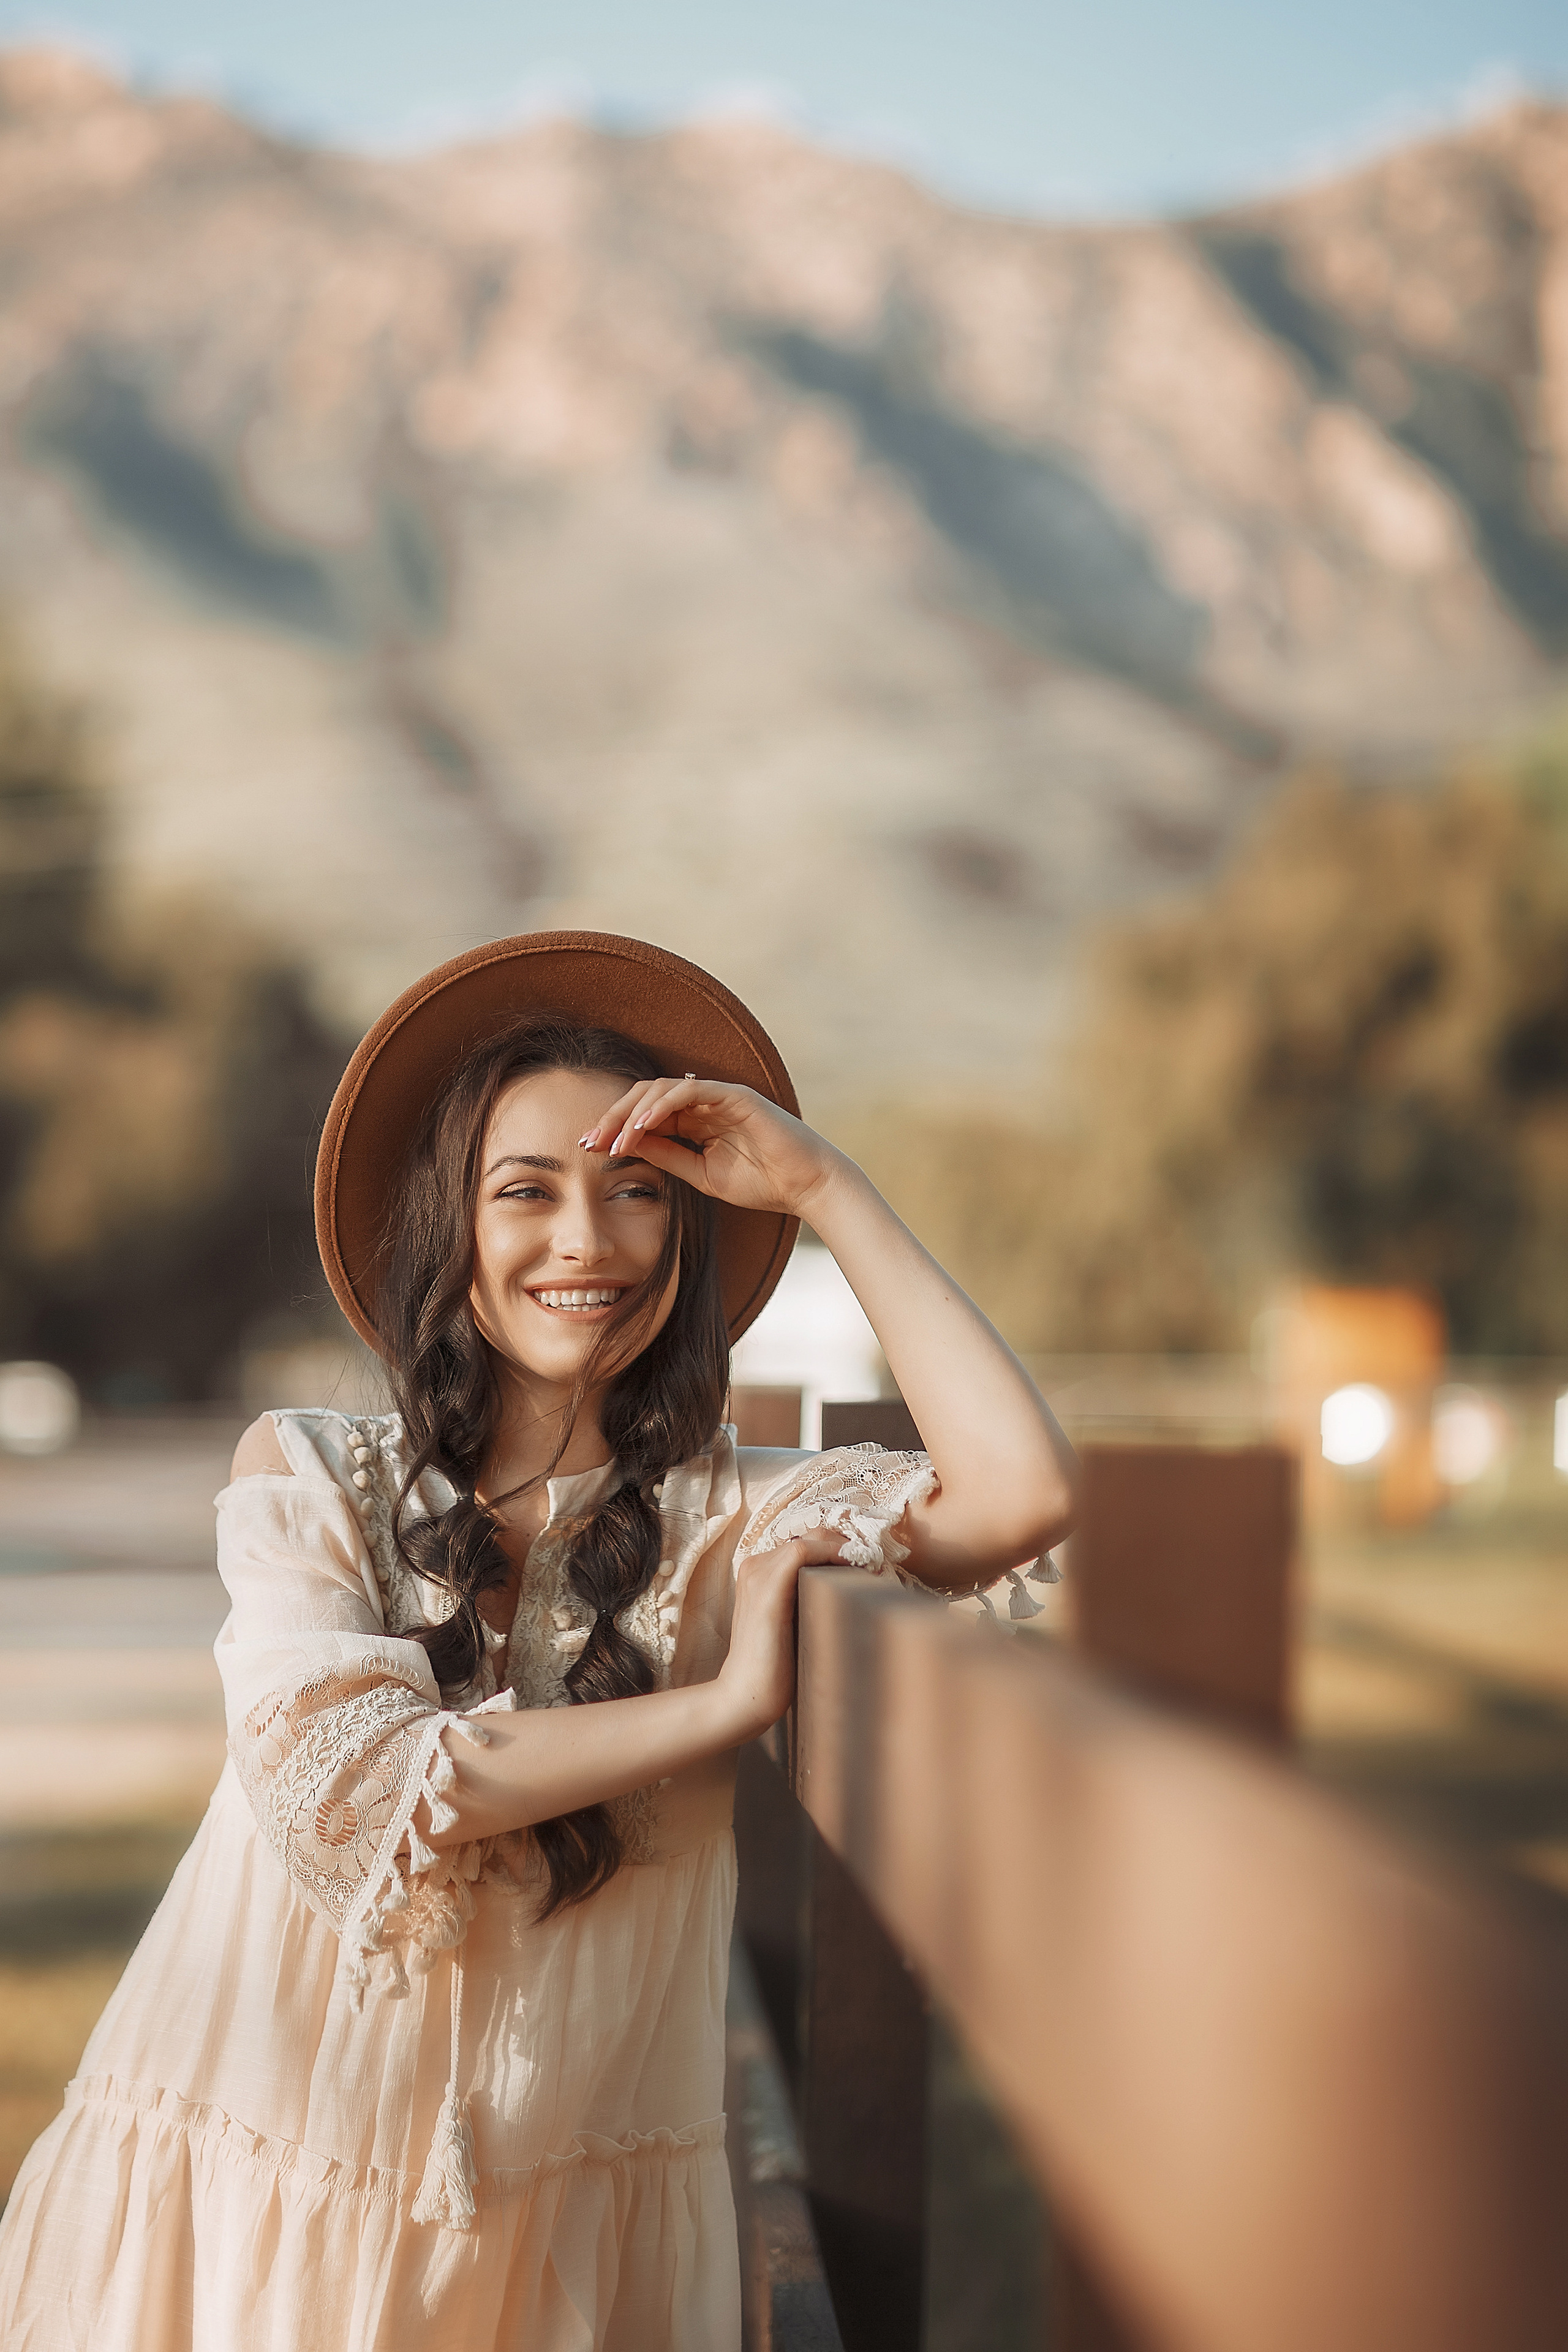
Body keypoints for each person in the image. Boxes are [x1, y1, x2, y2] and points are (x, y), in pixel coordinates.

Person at [0, 932, 1076, 2351]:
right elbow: (355, 1784)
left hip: (571, 2252)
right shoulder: (312, 1476)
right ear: (449, 1226)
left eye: (636, 1192)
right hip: (255, 2218)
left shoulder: (727, 1516)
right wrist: (726, 1701)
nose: (587, 1241)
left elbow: (1022, 1495)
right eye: (528, 1191)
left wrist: (827, 1190)